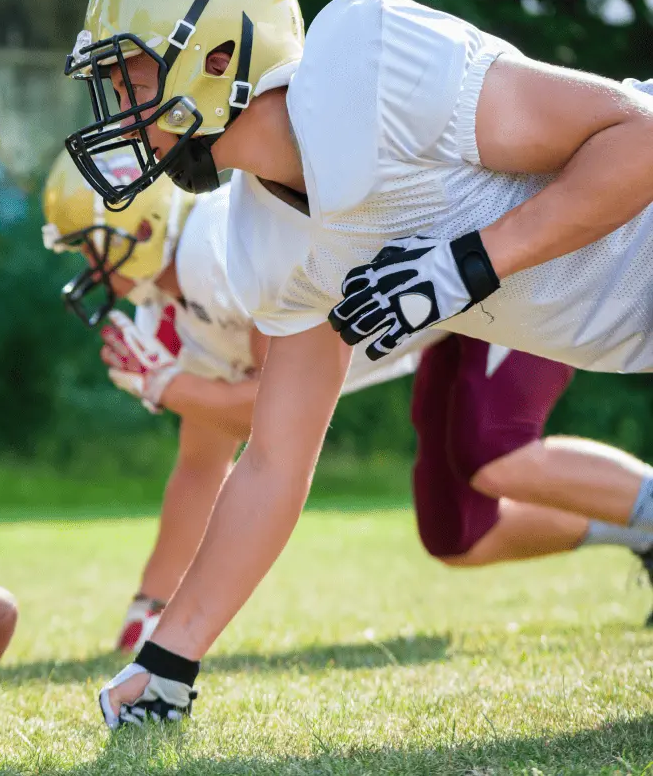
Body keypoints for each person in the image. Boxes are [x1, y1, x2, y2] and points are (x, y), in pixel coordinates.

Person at [62, 0, 653, 727]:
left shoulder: (364, 61)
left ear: (216, 54)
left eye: (127, 73)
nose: (114, 103)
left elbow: (638, 135)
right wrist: (169, 658)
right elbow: (272, 463)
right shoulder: (261, 241)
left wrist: (471, 263)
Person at [43, 151, 653, 656]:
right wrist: (150, 605)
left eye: (86, 247)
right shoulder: (168, 312)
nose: (84, 268)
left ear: (142, 226)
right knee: (459, 535)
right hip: (447, 320)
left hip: (498, 275)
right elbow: (203, 465)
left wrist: (166, 386)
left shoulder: (216, 253)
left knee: (494, 452)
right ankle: (637, 533)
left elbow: (279, 412)